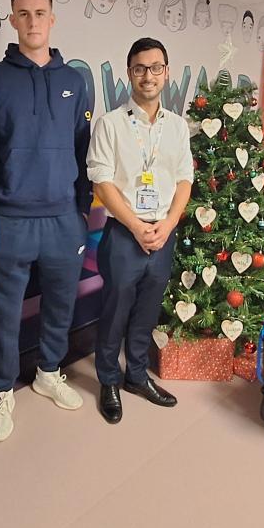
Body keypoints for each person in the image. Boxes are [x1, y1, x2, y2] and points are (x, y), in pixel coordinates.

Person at [0, 0, 92, 442]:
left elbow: (84, 153)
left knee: (61, 303)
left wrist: (81, 209)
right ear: (13, 20)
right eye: (24, 14)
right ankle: (2, 389)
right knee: (3, 312)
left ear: (52, 19)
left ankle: (48, 371)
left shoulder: (74, 81)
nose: (33, 21)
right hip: (10, 218)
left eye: (41, 13)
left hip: (64, 218)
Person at [87, 38, 192, 424]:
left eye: (155, 68)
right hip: (123, 235)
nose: (148, 76)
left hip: (163, 234)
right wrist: (135, 225)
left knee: (148, 309)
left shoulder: (178, 127)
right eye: (139, 68)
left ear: (166, 72)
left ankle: (136, 376)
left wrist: (167, 224)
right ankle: (109, 380)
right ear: (129, 73)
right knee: (115, 310)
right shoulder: (110, 124)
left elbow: (184, 180)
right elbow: (102, 182)